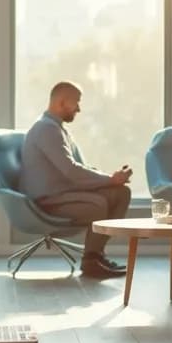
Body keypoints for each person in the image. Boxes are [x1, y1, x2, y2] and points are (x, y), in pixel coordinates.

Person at [20, 81, 133, 279]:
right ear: (62, 103)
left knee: (120, 193)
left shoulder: (57, 128)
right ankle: (91, 261)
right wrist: (110, 179)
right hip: (49, 200)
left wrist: (112, 179)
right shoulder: (47, 130)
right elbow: (71, 171)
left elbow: (77, 168)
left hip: (66, 194)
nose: (79, 109)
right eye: (76, 103)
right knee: (99, 204)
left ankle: (94, 257)